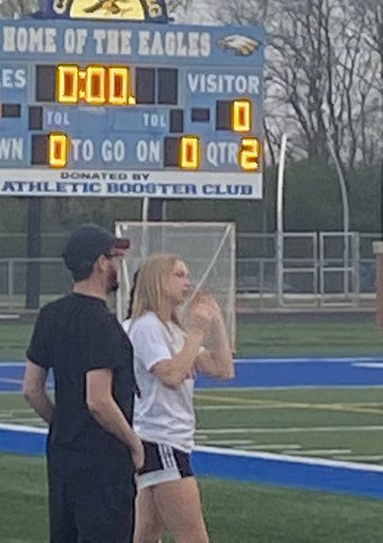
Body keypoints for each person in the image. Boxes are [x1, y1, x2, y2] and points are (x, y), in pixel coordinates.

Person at [22, 224, 143, 543]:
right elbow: (98, 400)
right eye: (113, 259)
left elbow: (32, 389)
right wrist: (133, 443)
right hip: (103, 462)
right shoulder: (102, 324)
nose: (116, 268)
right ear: (101, 263)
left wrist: (64, 422)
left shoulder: (50, 315)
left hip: (63, 458)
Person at [125, 254, 234, 543]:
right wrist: (197, 331)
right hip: (161, 439)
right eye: (179, 275)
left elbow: (223, 369)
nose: (188, 282)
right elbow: (171, 375)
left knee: (147, 533)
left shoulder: (172, 331)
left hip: (172, 439)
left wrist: (216, 320)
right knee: (193, 537)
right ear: (157, 282)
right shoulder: (147, 326)